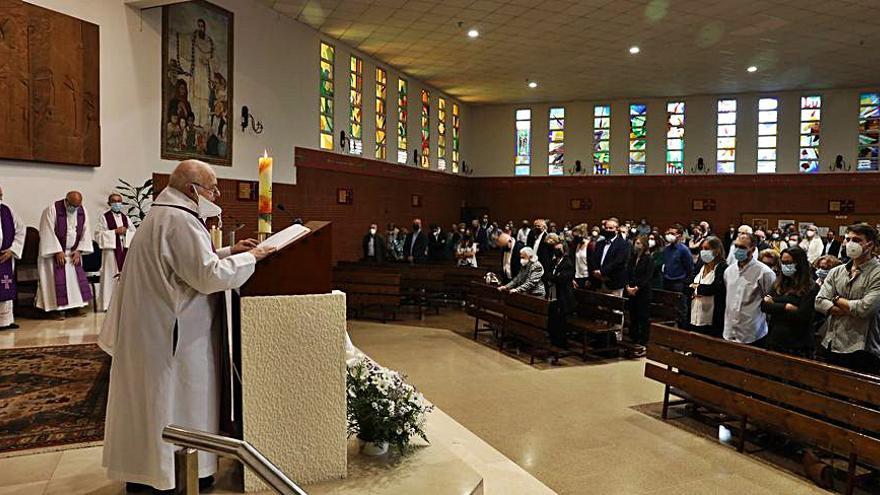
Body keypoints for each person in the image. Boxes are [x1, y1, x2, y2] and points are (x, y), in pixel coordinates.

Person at [99, 160, 275, 493]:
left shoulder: (160, 215)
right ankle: (178, 474)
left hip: (151, 332)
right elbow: (206, 277)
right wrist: (254, 257)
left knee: (152, 404)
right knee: (178, 401)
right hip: (175, 339)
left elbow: (185, 265)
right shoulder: (180, 220)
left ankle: (149, 473)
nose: (217, 194)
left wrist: (226, 251)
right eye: (212, 187)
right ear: (191, 189)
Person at [815, 223, 880, 373]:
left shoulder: (876, 273)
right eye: (847, 239)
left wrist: (836, 299)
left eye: (856, 240)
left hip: (862, 347)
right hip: (833, 341)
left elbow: (865, 309)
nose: (850, 244)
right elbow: (819, 302)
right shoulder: (837, 271)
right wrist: (850, 308)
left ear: (869, 245)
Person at [36, 191, 94, 317]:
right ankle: (54, 310)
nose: (74, 208)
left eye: (77, 206)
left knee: (75, 283)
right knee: (54, 282)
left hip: (73, 253)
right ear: (66, 201)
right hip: (54, 254)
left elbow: (86, 231)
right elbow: (47, 231)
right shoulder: (52, 209)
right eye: (72, 205)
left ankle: (74, 308)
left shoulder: (82, 211)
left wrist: (79, 250)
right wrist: (57, 251)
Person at [761, 247, 820, 357]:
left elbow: (802, 315)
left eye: (789, 262)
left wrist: (774, 305)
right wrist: (786, 307)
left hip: (798, 343)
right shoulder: (778, 283)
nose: (785, 266)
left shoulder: (811, 287)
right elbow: (764, 306)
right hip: (775, 339)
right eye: (783, 262)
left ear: (799, 263)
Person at [723, 233, 776, 345]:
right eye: (736, 246)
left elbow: (770, 301)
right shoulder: (729, 271)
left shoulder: (764, 272)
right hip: (729, 329)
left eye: (742, 247)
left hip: (751, 332)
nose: (737, 250)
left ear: (752, 250)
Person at [94, 193, 137, 312]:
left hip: (124, 249)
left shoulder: (125, 218)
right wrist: (114, 232)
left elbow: (134, 233)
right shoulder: (104, 217)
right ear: (109, 203)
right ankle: (107, 304)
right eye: (114, 201)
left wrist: (126, 232)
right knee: (109, 276)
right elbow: (98, 234)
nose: (117, 203)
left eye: (119, 201)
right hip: (110, 253)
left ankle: (124, 303)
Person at [689, 236, 727, 338]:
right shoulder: (701, 265)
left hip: (711, 315)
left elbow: (715, 288)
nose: (703, 251)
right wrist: (696, 288)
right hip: (695, 311)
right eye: (702, 248)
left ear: (717, 251)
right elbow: (689, 282)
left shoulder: (722, 267)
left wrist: (697, 288)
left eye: (706, 249)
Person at [0, 185, 25, 330]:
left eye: (1, 195)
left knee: (5, 286)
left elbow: (21, 230)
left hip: (6, 256)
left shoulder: (7, 211)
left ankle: (5, 321)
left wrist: (12, 250)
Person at [662, 224, 694, 327]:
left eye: (673, 234)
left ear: (679, 236)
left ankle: (682, 330)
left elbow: (689, 268)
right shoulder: (666, 249)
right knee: (667, 308)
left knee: (680, 309)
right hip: (667, 280)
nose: (669, 235)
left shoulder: (684, 250)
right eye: (669, 233)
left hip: (679, 282)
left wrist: (685, 283)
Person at [589, 218, 631, 296]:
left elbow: (618, 262)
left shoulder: (623, 244)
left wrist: (602, 272)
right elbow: (593, 259)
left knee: (614, 307)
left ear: (617, 229)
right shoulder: (599, 243)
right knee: (599, 307)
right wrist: (595, 271)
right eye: (606, 228)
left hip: (614, 282)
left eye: (611, 228)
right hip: (599, 281)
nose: (608, 230)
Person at [626, 235, 654, 349]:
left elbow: (647, 277)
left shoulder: (648, 259)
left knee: (643, 316)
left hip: (643, 292)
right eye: (635, 243)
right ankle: (634, 336)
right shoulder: (633, 258)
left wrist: (637, 287)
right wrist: (628, 286)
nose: (636, 246)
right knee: (633, 315)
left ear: (644, 245)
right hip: (632, 291)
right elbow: (628, 272)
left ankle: (643, 340)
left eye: (638, 243)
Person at [545, 236, 574, 347]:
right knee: (552, 318)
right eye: (555, 249)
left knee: (561, 320)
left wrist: (553, 277)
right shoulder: (553, 262)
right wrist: (553, 277)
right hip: (552, 293)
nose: (557, 251)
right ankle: (553, 339)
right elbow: (547, 274)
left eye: (559, 249)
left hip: (563, 296)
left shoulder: (567, 262)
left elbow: (562, 279)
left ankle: (561, 342)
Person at [571, 224, 590, 289]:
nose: (575, 239)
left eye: (577, 236)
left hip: (587, 277)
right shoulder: (576, 245)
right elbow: (573, 262)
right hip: (577, 276)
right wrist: (572, 278)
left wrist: (590, 279)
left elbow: (592, 263)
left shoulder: (589, 245)